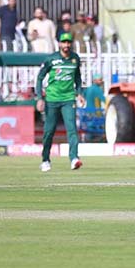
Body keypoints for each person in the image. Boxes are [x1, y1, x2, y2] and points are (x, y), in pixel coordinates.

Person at [36, 32, 85, 172]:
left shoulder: (75, 59)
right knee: (49, 132)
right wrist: (40, 97)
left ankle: (74, 158)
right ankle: (45, 160)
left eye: (69, 42)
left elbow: (77, 78)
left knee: (72, 130)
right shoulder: (51, 59)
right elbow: (40, 78)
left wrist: (80, 93)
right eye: (64, 42)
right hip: (52, 100)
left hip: (69, 99)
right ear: (59, 44)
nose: (66, 45)